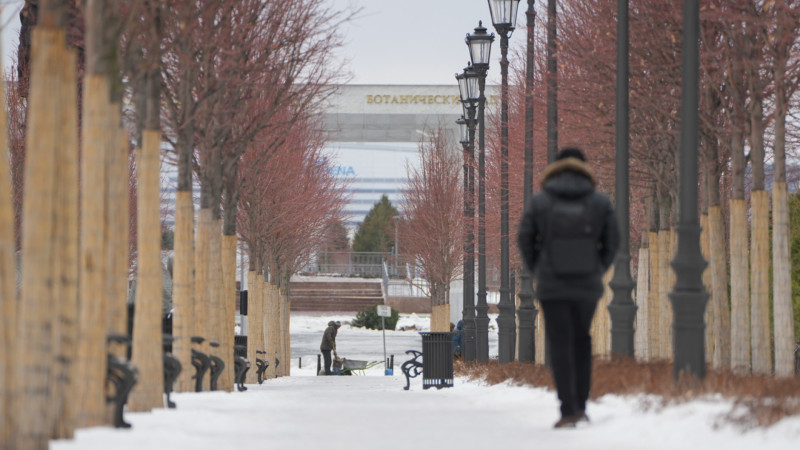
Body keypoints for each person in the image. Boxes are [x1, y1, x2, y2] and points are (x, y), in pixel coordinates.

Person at [517, 147, 619, 428]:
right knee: (581, 341)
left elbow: (525, 238)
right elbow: (613, 240)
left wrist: (539, 267)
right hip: (586, 284)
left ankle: (568, 409)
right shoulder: (599, 202)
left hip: (553, 285)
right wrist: (597, 266)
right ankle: (582, 405)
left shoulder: (541, 201)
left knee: (560, 344)